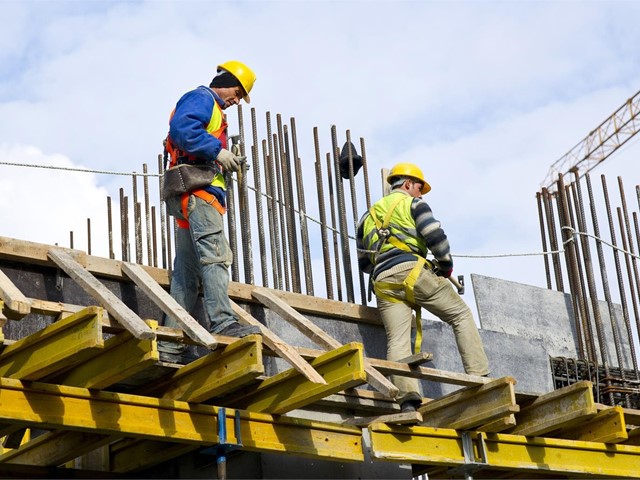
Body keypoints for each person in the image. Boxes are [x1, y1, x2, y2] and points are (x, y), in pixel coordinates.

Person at [356, 162, 490, 412]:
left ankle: (407, 400)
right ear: (407, 184)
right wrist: (445, 265)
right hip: (413, 272)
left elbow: (364, 263)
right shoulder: (413, 204)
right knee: (460, 315)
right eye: (419, 188)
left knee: (397, 340)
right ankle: (481, 378)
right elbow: (435, 237)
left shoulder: (367, 217)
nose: (420, 193)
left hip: (383, 282)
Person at [159, 60, 261, 364]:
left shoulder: (213, 109)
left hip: (190, 195)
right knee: (216, 256)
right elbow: (182, 129)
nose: (237, 100)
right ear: (227, 81)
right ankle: (223, 322)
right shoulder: (203, 98)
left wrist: (223, 157)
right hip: (199, 194)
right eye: (238, 92)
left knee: (186, 275)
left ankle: (170, 345)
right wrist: (218, 152)